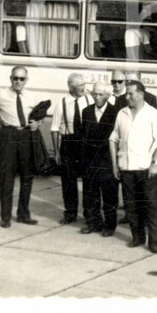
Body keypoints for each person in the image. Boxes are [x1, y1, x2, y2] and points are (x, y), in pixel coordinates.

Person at [0, 66, 43, 228]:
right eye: (15, 78)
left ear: (26, 80)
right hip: (9, 135)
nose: (18, 81)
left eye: (22, 79)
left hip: (26, 135)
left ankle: (23, 214)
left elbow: (38, 116)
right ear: (10, 79)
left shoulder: (31, 96)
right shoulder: (1, 95)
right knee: (7, 177)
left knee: (27, 177)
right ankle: (5, 217)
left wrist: (38, 123)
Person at [109, 80, 157, 254]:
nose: (127, 97)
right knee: (131, 206)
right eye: (126, 94)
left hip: (146, 169)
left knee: (150, 206)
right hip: (126, 167)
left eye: (130, 93)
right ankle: (137, 237)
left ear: (141, 94)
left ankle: (153, 241)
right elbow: (113, 139)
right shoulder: (122, 114)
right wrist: (114, 165)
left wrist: (155, 163)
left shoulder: (153, 114)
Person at [50, 73, 93, 225]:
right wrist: (56, 152)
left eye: (83, 86)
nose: (83, 89)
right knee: (68, 181)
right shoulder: (62, 102)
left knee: (88, 180)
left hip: (84, 144)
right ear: (71, 87)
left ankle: (89, 214)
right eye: (80, 87)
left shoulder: (89, 100)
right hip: (68, 143)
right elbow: (54, 128)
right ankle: (70, 213)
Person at [81, 82, 119, 236]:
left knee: (109, 195)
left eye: (100, 94)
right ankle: (93, 223)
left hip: (107, 160)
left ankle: (110, 226)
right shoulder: (86, 111)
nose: (97, 97)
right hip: (89, 160)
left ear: (108, 95)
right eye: (94, 94)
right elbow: (82, 134)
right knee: (90, 193)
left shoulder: (116, 112)